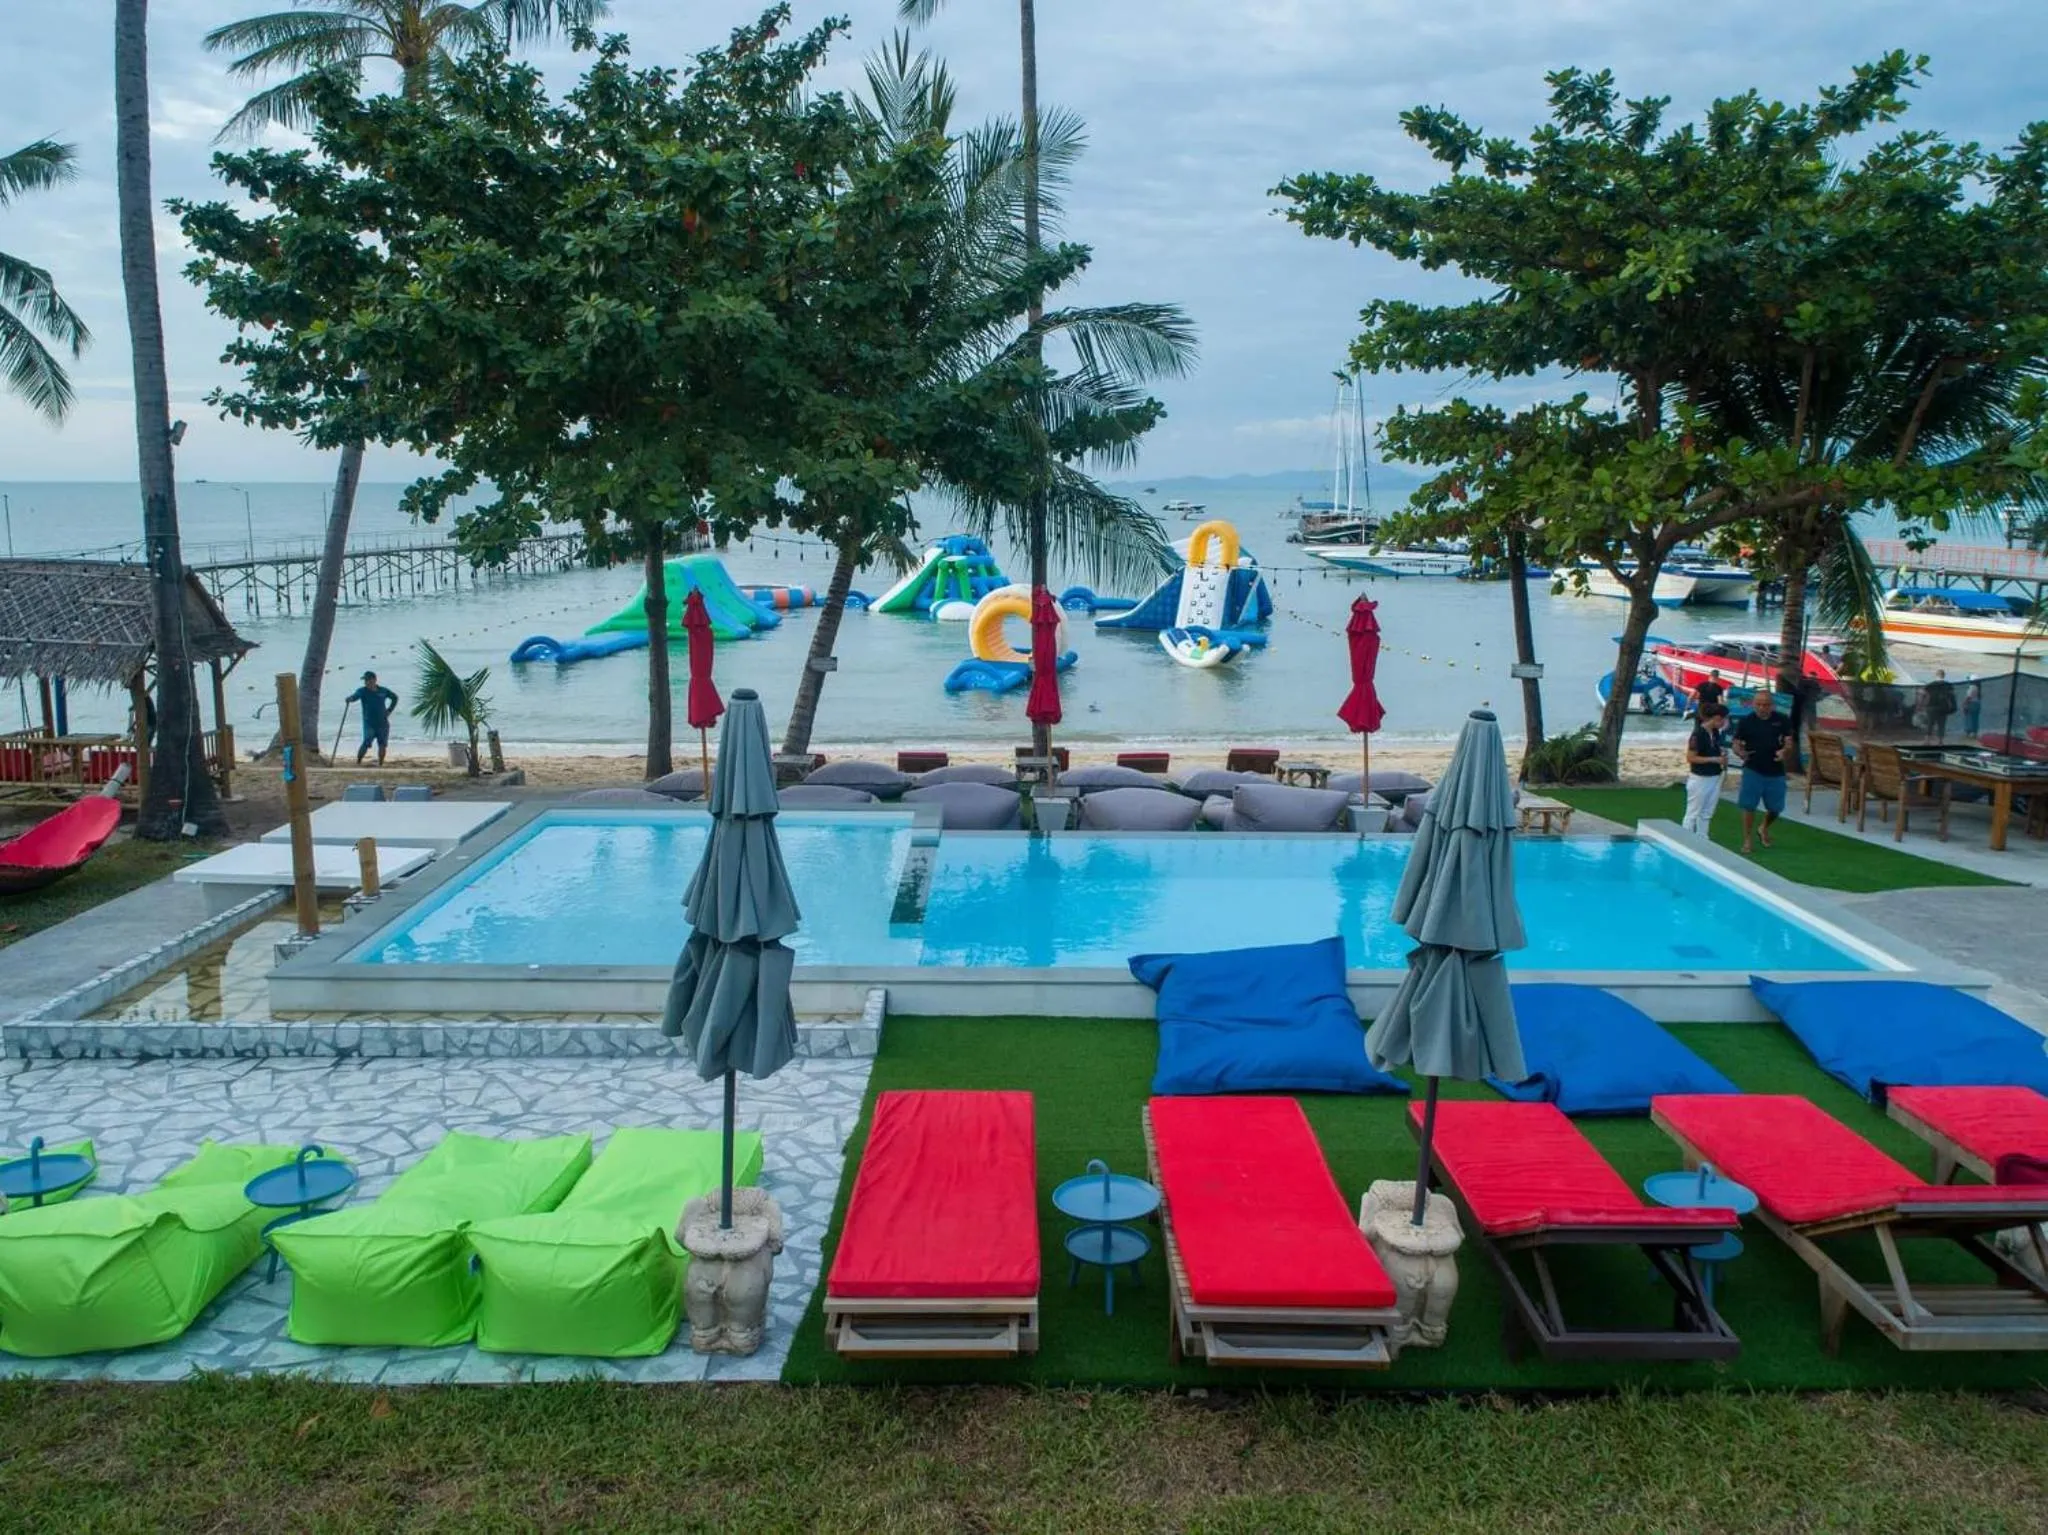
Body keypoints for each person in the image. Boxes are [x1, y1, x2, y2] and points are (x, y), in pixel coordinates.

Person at [1730, 688, 1793, 854]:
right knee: (1749, 806)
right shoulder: (1746, 721)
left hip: (1776, 769)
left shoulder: (1782, 719)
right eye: (1758, 704)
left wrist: (1784, 751)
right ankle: (1747, 839)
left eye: (1765, 705)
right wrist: (1740, 752)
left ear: (1772, 705)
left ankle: (1763, 827)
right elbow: (1736, 743)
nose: (1762, 708)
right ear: (1753, 704)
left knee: (1776, 807)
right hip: (1753, 768)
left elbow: (1789, 741)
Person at [1683, 702, 1728, 835]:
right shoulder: (1698, 734)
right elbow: (1691, 757)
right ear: (1716, 718)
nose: (1725, 722)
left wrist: (1721, 753)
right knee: (1693, 813)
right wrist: (1714, 759)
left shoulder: (1715, 732)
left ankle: (1703, 837)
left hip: (1715, 775)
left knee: (1707, 812)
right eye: (1724, 719)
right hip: (1700, 778)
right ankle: (1686, 839)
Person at [347, 671, 399, 766]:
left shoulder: (383, 691)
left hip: (382, 722)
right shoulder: (362, 691)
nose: (366, 682)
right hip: (369, 723)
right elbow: (355, 696)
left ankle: (380, 764)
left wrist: (389, 710)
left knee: (382, 744)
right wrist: (350, 698)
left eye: (368, 680)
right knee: (366, 742)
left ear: (374, 680)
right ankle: (358, 762)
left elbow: (395, 698)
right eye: (365, 680)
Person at [1923, 669, 1956, 743]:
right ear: (1944, 676)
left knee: (1930, 724)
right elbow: (1952, 697)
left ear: (1936, 675)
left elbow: (1925, 696)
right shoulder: (1948, 685)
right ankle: (1940, 741)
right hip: (1943, 707)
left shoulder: (1929, 685)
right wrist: (1953, 706)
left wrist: (1924, 706)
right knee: (1941, 724)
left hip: (1931, 707)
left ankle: (1927, 740)